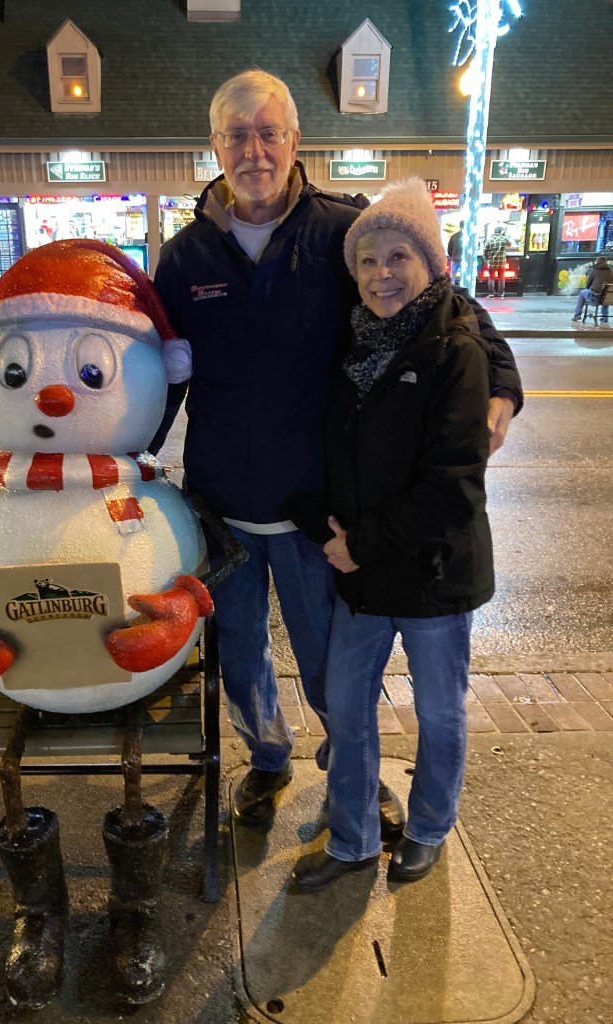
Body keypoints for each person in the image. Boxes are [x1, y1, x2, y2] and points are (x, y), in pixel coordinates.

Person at [150, 70, 521, 834]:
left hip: (318, 508)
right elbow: (154, 367)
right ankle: (268, 757)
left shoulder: (340, 231)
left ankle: (351, 771)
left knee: (330, 664)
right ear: (215, 146)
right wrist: (122, 458)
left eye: (269, 133)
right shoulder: (185, 258)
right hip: (221, 505)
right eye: (237, 136)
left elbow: (447, 303)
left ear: (295, 141)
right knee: (240, 659)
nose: (255, 151)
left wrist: (504, 387)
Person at [291, 179, 494, 892]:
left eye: (399, 257)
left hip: (434, 573)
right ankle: (352, 840)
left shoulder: (457, 350)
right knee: (347, 710)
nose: (383, 274)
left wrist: (357, 544)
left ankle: (430, 828)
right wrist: (319, 522)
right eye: (369, 260)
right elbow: (337, 458)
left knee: (438, 713)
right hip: (366, 576)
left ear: (430, 265)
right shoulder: (352, 343)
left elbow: (454, 488)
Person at [572, 255, 613, 323]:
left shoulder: (595, 269)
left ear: (597, 262)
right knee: (605, 293)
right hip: (608, 298)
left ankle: (577, 315)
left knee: (582, 293)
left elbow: (588, 284)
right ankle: (605, 317)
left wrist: (589, 287)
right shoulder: (610, 270)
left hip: (595, 297)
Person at [483, 225, 508, 297]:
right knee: (501, 277)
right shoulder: (504, 238)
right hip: (502, 262)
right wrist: (504, 236)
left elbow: (485, 251)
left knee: (491, 278)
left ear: (494, 231)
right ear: (501, 231)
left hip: (492, 262)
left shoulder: (490, 240)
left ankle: (491, 293)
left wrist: (487, 260)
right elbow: (510, 244)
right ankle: (501, 294)